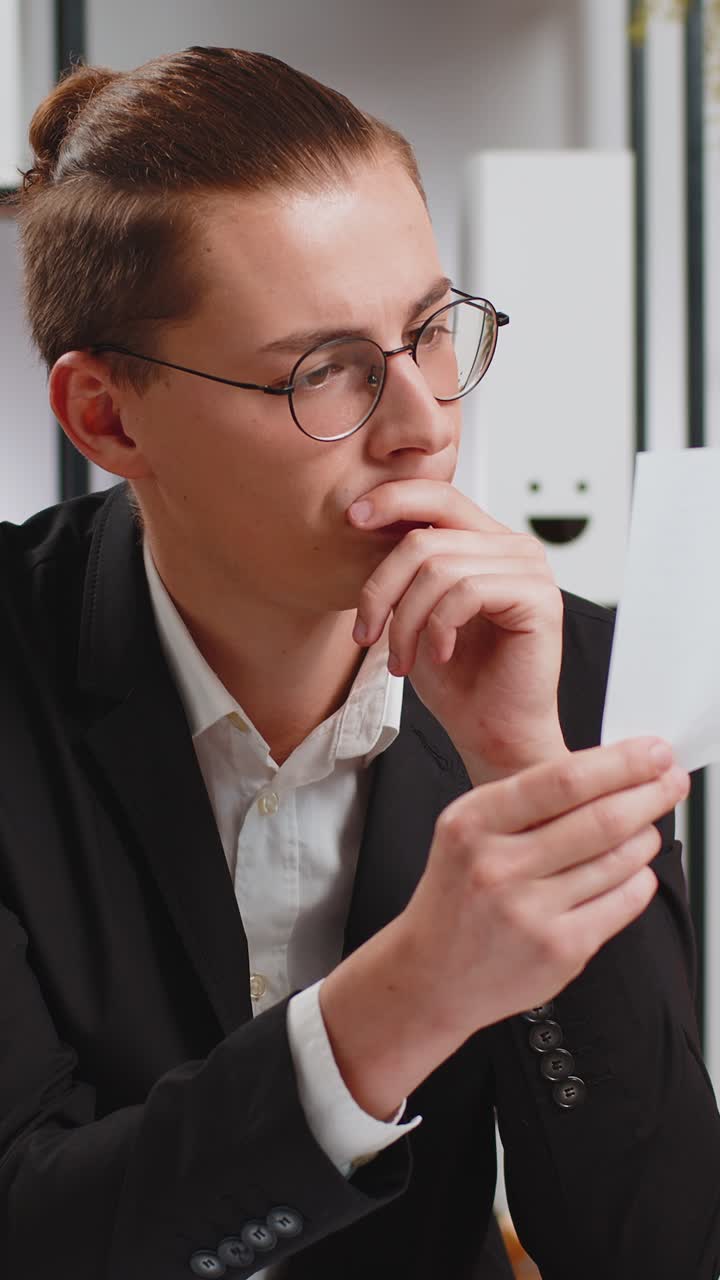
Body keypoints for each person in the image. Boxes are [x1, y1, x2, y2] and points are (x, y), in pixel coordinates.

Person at [1, 45, 718, 1280]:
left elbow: (655, 1247)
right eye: (322, 370)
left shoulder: (571, 672)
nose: (427, 421)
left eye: (432, 331)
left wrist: (521, 771)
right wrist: (407, 997)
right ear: (107, 419)